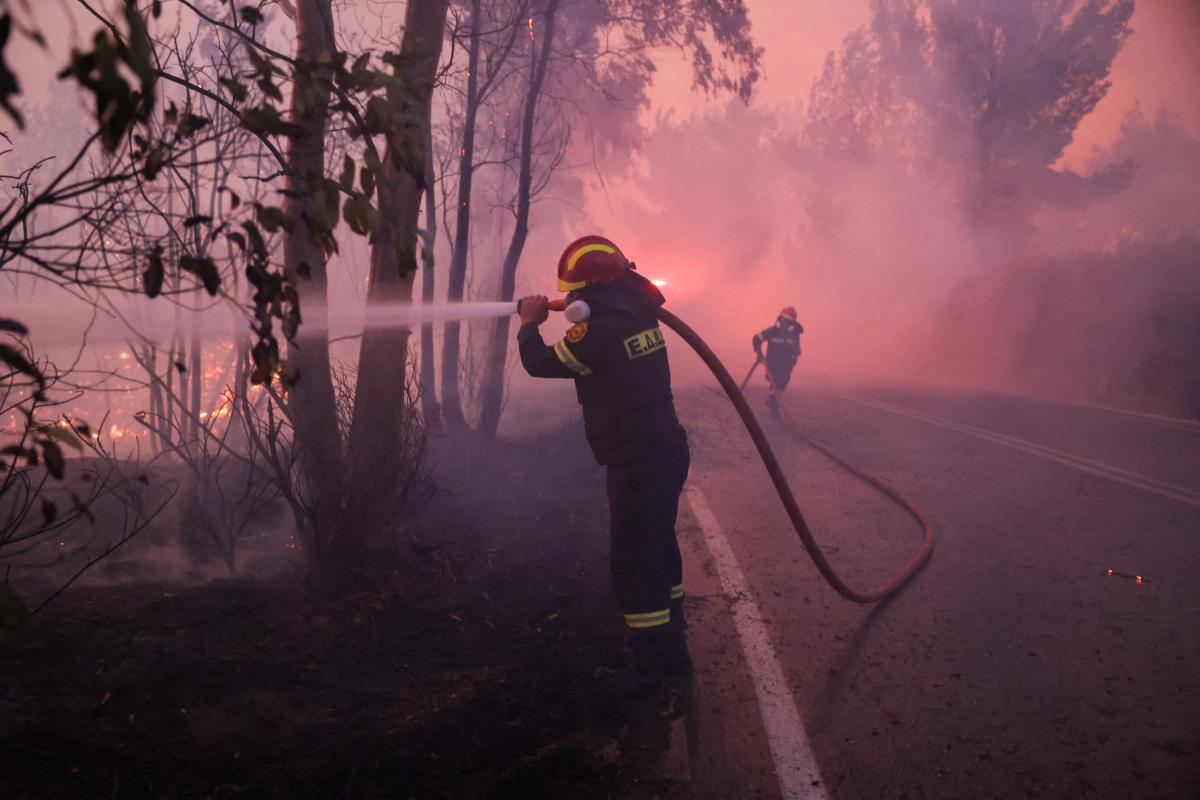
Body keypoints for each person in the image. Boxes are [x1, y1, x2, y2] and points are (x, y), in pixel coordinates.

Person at [516, 234, 691, 693]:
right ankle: (673, 646)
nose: (570, 300)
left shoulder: (600, 333)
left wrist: (528, 323)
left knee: (634, 556)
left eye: (575, 292)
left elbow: (539, 363)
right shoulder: (636, 307)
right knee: (659, 545)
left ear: (591, 292)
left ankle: (649, 665)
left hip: (636, 458)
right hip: (665, 449)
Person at [752, 307, 804, 415]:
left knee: (784, 380)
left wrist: (793, 360)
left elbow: (796, 349)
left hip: (786, 365)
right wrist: (759, 352)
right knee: (775, 380)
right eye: (784, 320)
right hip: (772, 363)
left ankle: (773, 399)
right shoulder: (773, 331)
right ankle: (773, 400)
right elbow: (756, 339)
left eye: (789, 321)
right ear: (780, 320)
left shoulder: (794, 334)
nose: (786, 323)